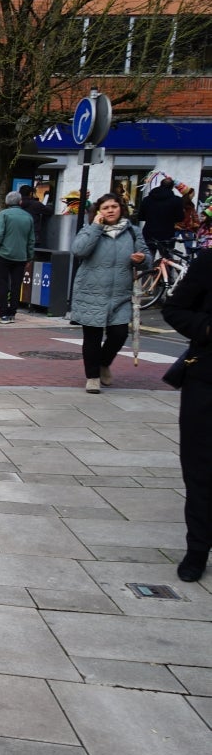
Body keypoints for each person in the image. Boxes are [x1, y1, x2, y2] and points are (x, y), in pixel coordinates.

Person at [161, 248, 212, 582]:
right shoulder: (208, 262)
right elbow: (174, 309)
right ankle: (197, 549)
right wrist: (206, 328)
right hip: (206, 383)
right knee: (200, 470)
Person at [71, 193, 148, 394]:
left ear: (121, 208)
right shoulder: (89, 230)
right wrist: (96, 227)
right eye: (105, 208)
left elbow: (147, 258)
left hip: (120, 294)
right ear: (98, 211)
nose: (111, 210)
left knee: (119, 334)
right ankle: (93, 377)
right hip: (91, 292)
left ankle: (104, 363)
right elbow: (79, 251)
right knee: (92, 338)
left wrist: (141, 260)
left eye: (114, 206)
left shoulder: (133, 232)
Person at [0, 191, 36, 325]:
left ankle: (2, 313)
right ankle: (12, 313)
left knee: (2, 284)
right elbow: (31, 239)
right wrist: (29, 256)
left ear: (7, 202)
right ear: (20, 202)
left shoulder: (4, 214)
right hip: (21, 256)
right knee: (16, 285)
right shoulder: (28, 217)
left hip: (3, 254)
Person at [138, 177, 185, 256]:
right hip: (167, 234)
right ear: (172, 187)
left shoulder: (147, 199)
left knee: (148, 258)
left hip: (149, 233)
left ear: (160, 185)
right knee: (167, 260)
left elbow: (141, 217)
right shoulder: (177, 200)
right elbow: (180, 218)